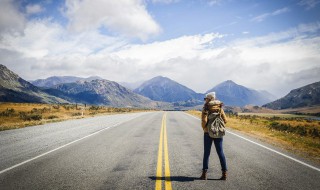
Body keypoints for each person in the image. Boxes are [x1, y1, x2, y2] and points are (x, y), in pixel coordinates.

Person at [200, 92, 228, 180]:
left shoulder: (206, 107)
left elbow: (203, 120)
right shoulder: (220, 107)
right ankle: (224, 174)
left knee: (207, 153)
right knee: (220, 152)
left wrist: (205, 128)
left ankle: (204, 174)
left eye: (206, 99)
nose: (205, 100)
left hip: (208, 132)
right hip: (218, 132)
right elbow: (225, 120)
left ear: (210, 99)